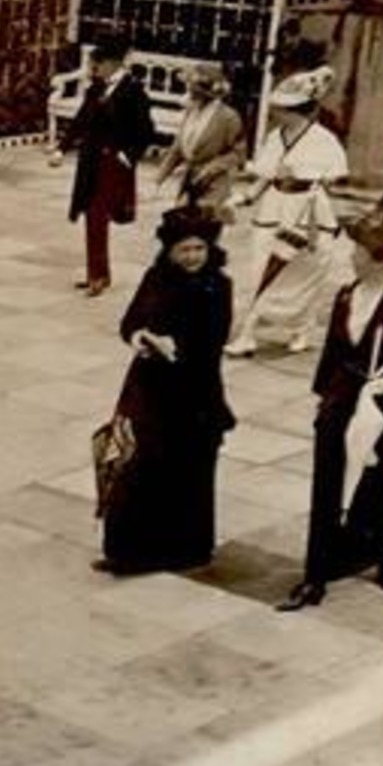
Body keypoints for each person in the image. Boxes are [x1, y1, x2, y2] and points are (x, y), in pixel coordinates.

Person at [278, 197, 383, 612]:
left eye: (359, 253)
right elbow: (334, 349)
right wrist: (325, 398)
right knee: (327, 486)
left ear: (382, 262)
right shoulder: (347, 295)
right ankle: (315, 576)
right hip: (343, 400)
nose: (352, 257)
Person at [94, 206, 237, 576]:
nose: (192, 257)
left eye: (198, 249)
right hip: (149, 389)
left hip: (194, 393)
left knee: (188, 472)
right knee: (137, 465)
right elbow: (130, 321)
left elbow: (213, 340)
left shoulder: (218, 286)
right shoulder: (155, 278)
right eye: (184, 249)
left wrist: (175, 347)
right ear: (170, 251)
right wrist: (140, 336)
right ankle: (128, 551)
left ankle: (185, 549)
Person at [225, 65, 348, 357]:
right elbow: (265, 177)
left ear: (302, 110)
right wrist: (245, 198)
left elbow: (336, 178)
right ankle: (248, 333)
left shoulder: (323, 139)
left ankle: (302, 327)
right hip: (274, 210)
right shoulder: (274, 137)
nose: (278, 113)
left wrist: (304, 174)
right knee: (262, 271)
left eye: (285, 109)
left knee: (304, 272)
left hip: (308, 212)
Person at [61, 34, 156, 298]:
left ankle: (98, 277)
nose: (94, 69)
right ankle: (98, 273)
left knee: (97, 215)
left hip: (113, 164)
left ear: (112, 63)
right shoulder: (96, 89)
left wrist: (128, 156)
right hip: (91, 162)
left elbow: (147, 130)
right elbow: (81, 120)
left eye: (98, 64)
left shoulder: (133, 91)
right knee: (92, 217)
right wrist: (62, 147)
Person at [155, 63, 247, 223]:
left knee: (202, 232)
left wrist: (212, 168)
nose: (189, 93)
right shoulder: (191, 111)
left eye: (192, 90)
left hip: (213, 185)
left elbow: (238, 154)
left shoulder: (228, 117)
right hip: (189, 182)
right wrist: (160, 176)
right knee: (182, 229)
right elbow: (178, 147)